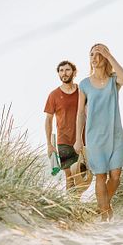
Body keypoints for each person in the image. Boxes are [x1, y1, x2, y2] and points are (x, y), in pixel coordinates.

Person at [73, 43, 123, 222]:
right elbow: (81, 113)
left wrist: (110, 54)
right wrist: (78, 140)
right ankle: (105, 213)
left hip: (115, 134)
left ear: (105, 57)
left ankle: (104, 205)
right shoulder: (84, 84)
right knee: (101, 175)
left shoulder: (114, 81)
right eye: (92, 55)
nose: (95, 58)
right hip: (95, 137)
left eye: (99, 54)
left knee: (115, 176)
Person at [44, 60, 81, 190]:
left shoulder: (82, 91)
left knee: (85, 173)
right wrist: (49, 144)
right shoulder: (53, 95)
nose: (64, 73)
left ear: (74, 72)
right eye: (61, 71)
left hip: (83, 138)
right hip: (64, 141)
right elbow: (48, 120)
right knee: (70, 177)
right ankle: (72, 209)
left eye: (67, 70)